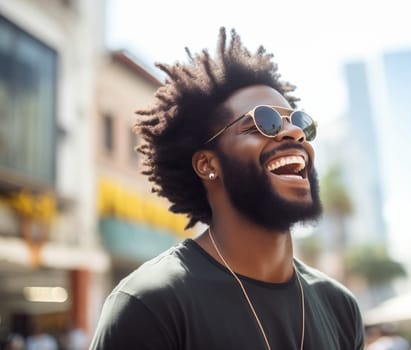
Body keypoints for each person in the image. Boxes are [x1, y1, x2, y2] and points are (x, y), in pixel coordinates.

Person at [89, 28, 365, 349]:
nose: (293, 133)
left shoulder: (339, 307)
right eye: (265, 121)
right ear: (208, 164)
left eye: (299, 122)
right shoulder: (150, 304)